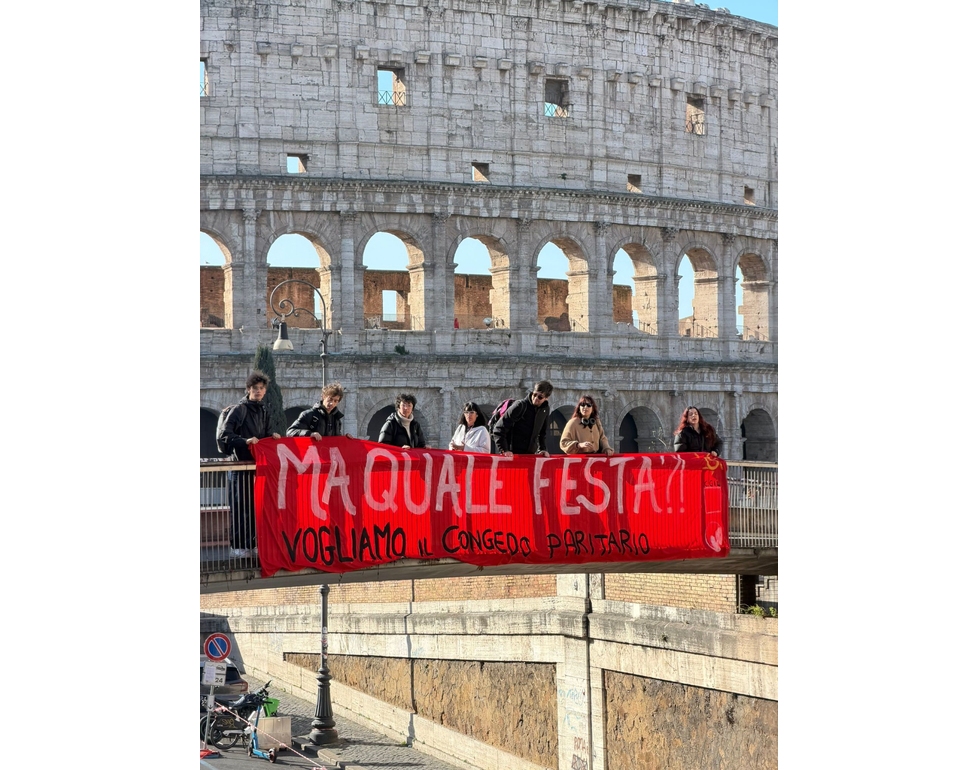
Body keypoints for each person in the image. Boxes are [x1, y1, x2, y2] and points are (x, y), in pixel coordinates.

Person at [218, 370, 282, 558]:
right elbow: (225, 435)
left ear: (265, 391)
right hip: (240, 466)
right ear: (248, 389)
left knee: (255, 506)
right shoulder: (239, 410)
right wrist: (244, 441)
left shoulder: (264, 410)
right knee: (240, 506)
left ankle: (252, 543)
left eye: (261, 388)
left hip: (257, 467)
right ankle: (238, 546)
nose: (258, 391)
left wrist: (273, 437)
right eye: (255, 388)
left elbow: (265, 436)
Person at [492, 380, 553, 457]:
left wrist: (543, 449)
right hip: (512, 454)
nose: (535, 398)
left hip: (530, 455)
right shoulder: (520, 405)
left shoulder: (545, 409)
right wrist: (504, 450)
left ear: (546, 398)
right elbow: (499, 428)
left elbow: (542, 433)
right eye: (534, 394)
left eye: (540, 397)